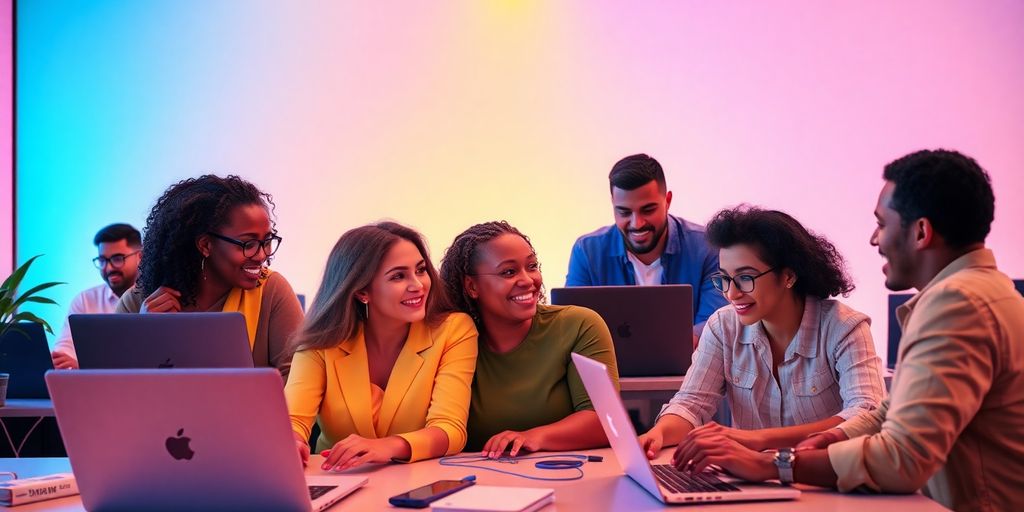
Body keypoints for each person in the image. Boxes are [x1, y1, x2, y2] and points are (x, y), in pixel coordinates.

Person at [675, 150, 1024, 512]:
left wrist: (773, 463)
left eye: (882, 223)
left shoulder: (956, 304)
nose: (875, 239)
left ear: (921, 232)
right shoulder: (985, 293)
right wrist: (830, 437)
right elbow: (887, 414)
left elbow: (902, 459)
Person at [639, 206, 884, 456]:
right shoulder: (722, 327)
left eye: (745, 278)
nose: (731, 294)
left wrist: (759, 440)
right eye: (724, 278)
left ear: (788, 276)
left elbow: (866, 414)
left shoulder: (844, 328)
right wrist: (658, 433)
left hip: (827, 482)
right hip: (751, 480)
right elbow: (690, 405)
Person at [285, 222, 477, 470]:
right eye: (398, 276)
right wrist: (292, 442)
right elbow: (293, 420)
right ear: (362, 291)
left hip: (420, 480)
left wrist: (389, 446)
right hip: (337, 478)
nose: (418, 285)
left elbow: (450, 429)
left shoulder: (454, 330)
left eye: (420, 270)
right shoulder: (322, 341)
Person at [440, 221, 619, 457]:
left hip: (564, 476)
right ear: (472, 286)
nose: (528, 280)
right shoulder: (452, 341)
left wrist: (532, 437)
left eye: (532, 266)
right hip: (477, 482)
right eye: (509, 272)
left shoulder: (579, 325)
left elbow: (605, 422)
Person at [116, 175, 303, 376]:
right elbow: (110, 389)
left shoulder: (271, 291)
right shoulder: (137, 303)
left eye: (267, 241)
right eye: (248, 244)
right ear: (205, 245)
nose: (261, 256)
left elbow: (296, 382)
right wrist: (143, 335)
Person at [566, 154, 727, 334]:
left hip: (691, 362)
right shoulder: (587, 252)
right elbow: (574, 329)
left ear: (667, 201)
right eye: (624, 212)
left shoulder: (706, 246)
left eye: (648, 210)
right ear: (613, 204)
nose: (637, 223)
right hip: (610, 363)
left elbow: (715, 326)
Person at [51, 223, 142, 369]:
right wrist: (61, 362)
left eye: (117, 258)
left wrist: (84, 367)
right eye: (102, 260)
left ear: (140, 257)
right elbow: (65, 350)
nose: (109, 267)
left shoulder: (155, 299)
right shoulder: (85, 300)